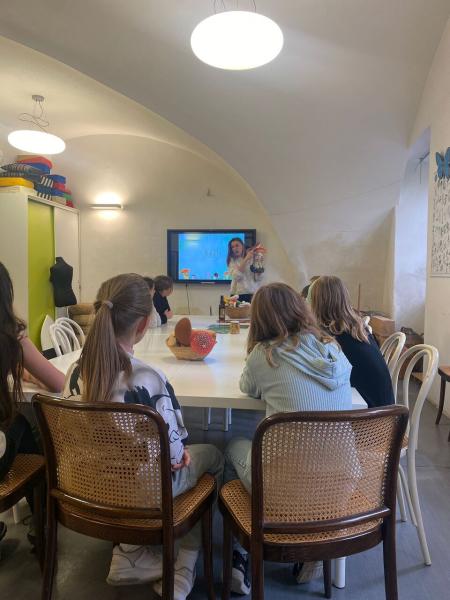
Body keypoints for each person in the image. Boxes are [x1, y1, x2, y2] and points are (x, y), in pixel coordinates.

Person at [62, 273, 223, 599]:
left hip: (88, 484)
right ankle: (185, 562)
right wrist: (179, 451)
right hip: (145, 491)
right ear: (144, 324)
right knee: (215, 454)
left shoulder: (74, 372)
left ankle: (131, 551)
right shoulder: (148, 379)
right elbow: (176, 457)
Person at [223, 282, 352, 594]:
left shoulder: (264, 355)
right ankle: (314, 549)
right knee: (311, 452)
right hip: (341, 483)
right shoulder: (334, 350)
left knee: (230, 448)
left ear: (259, 318)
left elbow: (247, 388)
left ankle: (240, 556)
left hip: (281, 489)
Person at [0, 262, 64, 540]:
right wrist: (32, 376)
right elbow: (59, 383)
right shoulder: (11, 338)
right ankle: (43, 524)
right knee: (32, 431)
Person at [310, 276, 394, 408]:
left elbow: (323, 376)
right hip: (385, 409)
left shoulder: (334, 337)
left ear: (317, 304)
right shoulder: (355, 328)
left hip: (372, 415)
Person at [226, 238, 265, 302]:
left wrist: (259, 264)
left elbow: (259, 278)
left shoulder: (253, 258)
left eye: (237, 245)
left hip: (252, 293)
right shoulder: (232, 261)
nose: (235, 248)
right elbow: (236, 276)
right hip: (238, 294)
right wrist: (246, 259)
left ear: (242, 246)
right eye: (232, 247)